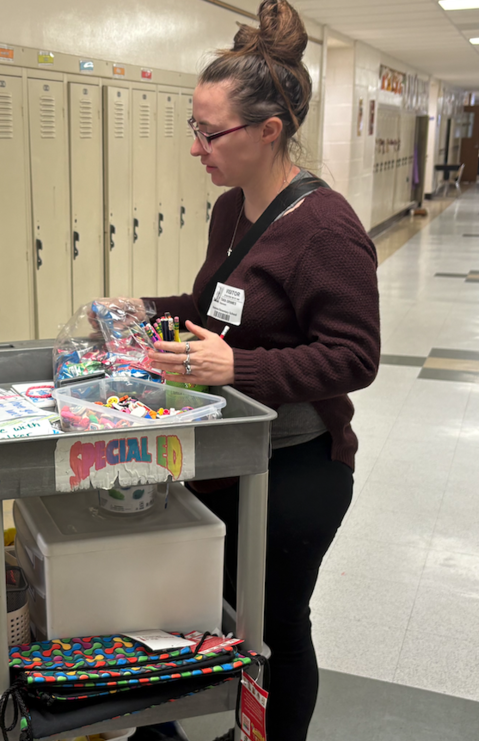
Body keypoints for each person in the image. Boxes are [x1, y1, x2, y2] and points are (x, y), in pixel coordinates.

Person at [125, 2, 380, 739]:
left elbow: (354, 355)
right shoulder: (232, 210)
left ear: (269, 131)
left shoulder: (326, 229)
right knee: (208, 604)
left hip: (297, 465)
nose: (196, 148)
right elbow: (219, 308)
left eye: (211, 133)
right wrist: (143, 308)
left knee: (275, 622)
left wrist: (236, 364)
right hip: (226, 453)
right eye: (193, 128)